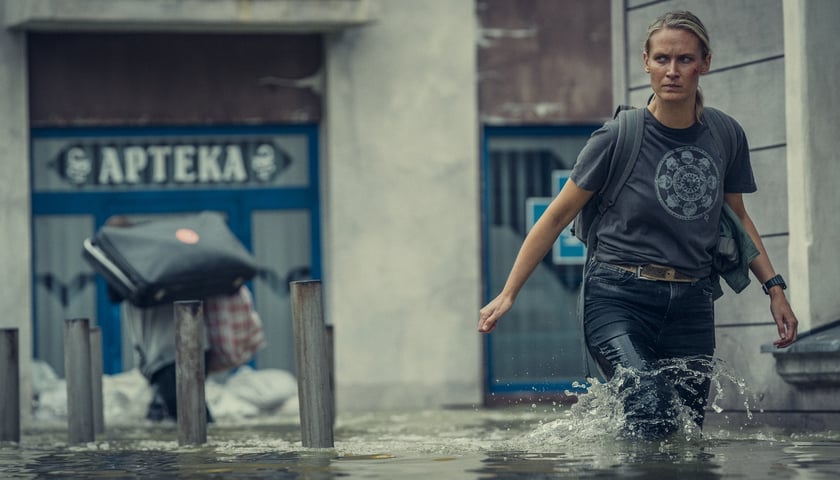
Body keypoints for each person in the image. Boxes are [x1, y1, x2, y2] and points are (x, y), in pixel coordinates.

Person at [478, 10, 798, 439]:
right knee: (650, 409)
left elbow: (737, 217)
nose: (672, 71)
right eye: (662, 59)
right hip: (617, 297)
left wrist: (774, 288)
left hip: (691, 303)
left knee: (684, 434)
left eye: (684, 59)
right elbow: (555, 216)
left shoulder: (725, 134)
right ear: (645, 62)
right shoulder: (617, 137)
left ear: (705, 63)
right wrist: (508, 293)